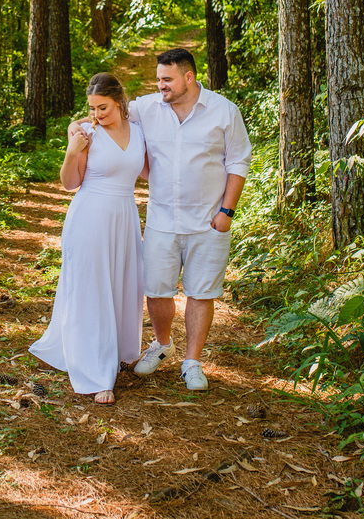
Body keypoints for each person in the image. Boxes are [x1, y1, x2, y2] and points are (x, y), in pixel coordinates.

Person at [69, 48, 251, 391]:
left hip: (208, 220)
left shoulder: (223, 111)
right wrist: (75, 133)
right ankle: (162, 344)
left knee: (201, 291)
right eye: (158, 79)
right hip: (161, 218)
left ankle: (193, 362)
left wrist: (226, 212)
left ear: (189, 78)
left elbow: (238, 163)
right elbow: (97, 114)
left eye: (166, 79)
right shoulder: (147, 108)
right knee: (156, 288)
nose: (160, 85)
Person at [30, 73, 147, 404]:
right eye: (93, 108)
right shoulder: (88, 133)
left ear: (120, 101)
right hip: (90, 215)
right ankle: (97, 372)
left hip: (124, 216)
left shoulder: (139, 131)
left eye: (104, 107)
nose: (97, 115)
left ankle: (122, 351)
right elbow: (69, 183)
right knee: (93, 289)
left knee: (124, 284)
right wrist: (72, 148)